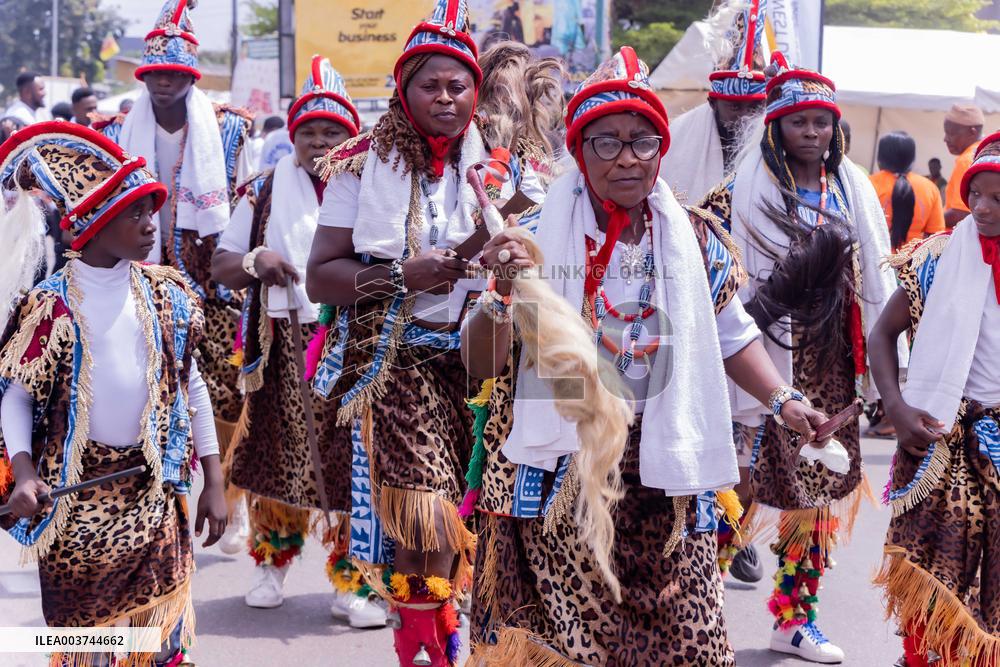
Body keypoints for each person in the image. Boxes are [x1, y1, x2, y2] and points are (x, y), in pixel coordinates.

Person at [462, 45, 826, 666]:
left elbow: (731, 334)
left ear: (662, 148)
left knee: (687, 644)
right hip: (564, 470)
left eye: (642, 141)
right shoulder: (533, 233)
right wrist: (504, 292)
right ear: (579, 151)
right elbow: (478, 365)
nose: (627, 158)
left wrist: (784, 400)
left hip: (665, 469)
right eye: (607, 142)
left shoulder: (693, 237)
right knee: (573, 648)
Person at [306, 1, 545, 662]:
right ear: (403, 90)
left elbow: (528, 256)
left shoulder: (502, 167)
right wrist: (398, 275)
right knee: (426, 517)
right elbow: (321, 276)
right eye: (429, 84)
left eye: (457, 84)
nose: (445, 97)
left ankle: (435, 645)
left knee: (468, 526)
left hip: (482, 362)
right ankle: (428, 655)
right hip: (397, 363)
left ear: (476, 91)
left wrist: (515, 253)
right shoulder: (359, 164)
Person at [0, 121, 226, 667]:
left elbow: (190, 384)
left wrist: (215, 480)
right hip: (75, 503)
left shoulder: (167, 294)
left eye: (153, 210)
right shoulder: (50, 305)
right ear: (94, 227)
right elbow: (17, 398)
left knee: (158, 640)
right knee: (90, 645)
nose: (152, 225)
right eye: (136, 213)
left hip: (153, 494)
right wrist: (25, 472)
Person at [701, 52, 900, 663]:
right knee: (737, 483)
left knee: (817, 488)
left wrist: (885, 363)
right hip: (758, 355)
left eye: (821, 122)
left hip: (832, 354)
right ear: (775, 127)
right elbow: (712, 277)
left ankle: (795, 617)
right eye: (798, 122)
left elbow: (879, 274)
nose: (811, 133)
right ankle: (700, 603)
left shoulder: (855, 187)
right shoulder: (736, 192)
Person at [211, 56, 385, 627]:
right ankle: (271, 563)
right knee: (279, 460)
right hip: (283, 350)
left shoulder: (373, 189)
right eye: (308, 131)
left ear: (350, 134)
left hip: (350, 342)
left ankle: (351, 580)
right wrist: (259, 259)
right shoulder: (261, 191)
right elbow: (222, 263)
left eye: (331, 131)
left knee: (349, 463)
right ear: (293, 137)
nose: (319, 141)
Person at [92, 0, 253, 477]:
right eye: (156, 73)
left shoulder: (228, 129)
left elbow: (244, 206)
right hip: (136, 279)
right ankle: (162, 479)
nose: (164, 82)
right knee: (149, 382)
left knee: (222, 386)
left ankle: (220, 476)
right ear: (142, 78)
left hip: (213, 284)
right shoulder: (115, 132)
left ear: (191, 78)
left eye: (174, 74)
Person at [869, 131, 1000, 667]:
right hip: (940, 436)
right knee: (930, 574)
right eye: (978, 195)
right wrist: (896, 409)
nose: (983, 208)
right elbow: (881, 334)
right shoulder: (936, 258)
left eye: (999, 198)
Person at [661, 0, 766, 205]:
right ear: (712, 103)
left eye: (754, 108)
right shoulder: (678, 136)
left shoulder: (779, 140)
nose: (744, 117)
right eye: (734, 107)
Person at [870, 131, 946, 250]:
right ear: (912, 160)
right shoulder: (930, 188)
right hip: (914, 265)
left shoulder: (867, 184)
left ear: (880, 159)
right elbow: (936, 236)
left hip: (874, 262)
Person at [943, 104, 984, 228]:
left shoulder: (966, 160)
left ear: (972, 132)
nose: (945, 139)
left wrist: (930, 220)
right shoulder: (986, 151)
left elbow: (960, 213)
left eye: (951, 134)